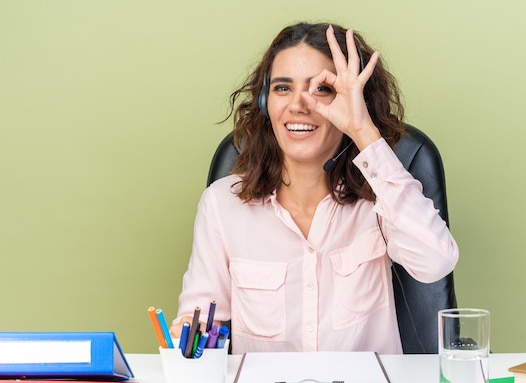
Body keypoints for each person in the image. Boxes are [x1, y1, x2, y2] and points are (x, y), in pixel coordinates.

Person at [171, 22, 458, 354]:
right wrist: (187, 335)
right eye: (282, 88)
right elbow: (199, 324)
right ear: (265, 103)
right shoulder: (222, 205)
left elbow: (436, 261)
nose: (298, 105)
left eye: (321, 89)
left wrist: (363, 129)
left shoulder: (380, 200)